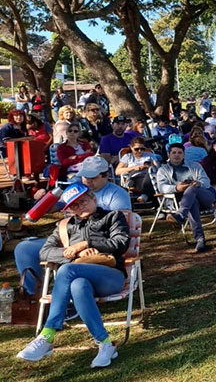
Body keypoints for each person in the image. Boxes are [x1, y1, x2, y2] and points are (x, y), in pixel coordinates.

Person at [15, 184, 131, 368]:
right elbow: (44, 252)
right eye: (75, 205)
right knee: (78, 285)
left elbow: (120, 243)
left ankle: (47, 335)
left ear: (93, 198)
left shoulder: (112, 217)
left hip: (110, 276)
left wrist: (86, 243)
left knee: (67, 270)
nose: (80, 206)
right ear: (70, 209)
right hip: (78, 276)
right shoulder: (65, 226)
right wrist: (74, 253)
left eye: (83, 201)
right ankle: (106, 343)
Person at [15, 156, 130, 297]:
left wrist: (85, 239)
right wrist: (44, 200)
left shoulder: (117, 195)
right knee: (24, 248)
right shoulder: (75, 188)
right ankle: (33, 295)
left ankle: (64, 293)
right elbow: (54, 208)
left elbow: (120, 229)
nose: (87, 180)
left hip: (96, 244)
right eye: (84, 176)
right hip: (67, 239)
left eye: (92, 177)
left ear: (105, 175)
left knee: (67, 266)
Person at [155, 143, 216, 252]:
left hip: (205, 198)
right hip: (184, 201)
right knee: (192, 203)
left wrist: (199, 183)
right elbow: (162, 187)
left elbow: (206, 181)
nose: (177, 155)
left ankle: (180, 215)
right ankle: (200, 240)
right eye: (174, 152)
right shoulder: (163, 170)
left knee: (192, 188)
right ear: (168, 155)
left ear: (184, 155)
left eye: (180, 153)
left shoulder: (195, 166)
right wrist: (176, 188)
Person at [115, 137, 157, 203]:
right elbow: (117, 171)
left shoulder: (150, 155)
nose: (140, 151)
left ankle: (145, 196)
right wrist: (134, 168)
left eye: (142, 149)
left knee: (151, 174)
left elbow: (158, 167)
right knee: (153, 181)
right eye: (136, 149)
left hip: (150, 176)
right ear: (131, 148)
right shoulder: (128, 157)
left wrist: (150, 166)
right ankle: (148, 197)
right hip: (135, 178)